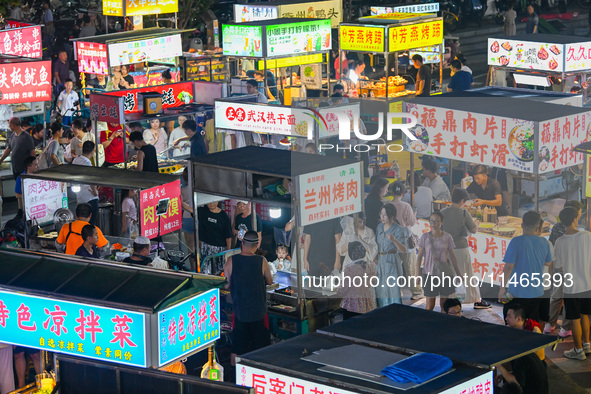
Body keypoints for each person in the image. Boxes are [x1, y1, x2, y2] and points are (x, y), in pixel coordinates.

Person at [224, 230, 273, 366]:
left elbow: (226, 285)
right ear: (257, 245)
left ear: (242, 242)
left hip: (240, 312)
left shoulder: (231, 261)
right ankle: (260, 372)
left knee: (237, 348)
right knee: (261, 348)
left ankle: (234, 377)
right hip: (259, 312)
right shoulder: (261, 261)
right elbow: (269, 281)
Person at [442, 188, 491, 309]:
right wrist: (477, 224)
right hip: (461, 248)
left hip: (446, 249)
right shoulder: (463, 213)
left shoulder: (442, 212)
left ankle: (451, 302)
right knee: (467, 274)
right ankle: (476, 300)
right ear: (462, 200)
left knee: (450, 276)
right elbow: (474, 230)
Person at [499, 211, 552, 321]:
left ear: (522, 225)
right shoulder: (545, 242)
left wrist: (502, 288)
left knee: (515, 324)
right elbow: (548, 263)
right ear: (538, 227)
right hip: (537, 292)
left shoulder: (516, 242)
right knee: (532, 324)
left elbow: (508, 267)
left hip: (516, 292)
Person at [554, 207, 591, 360]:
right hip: (588, 284)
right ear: (575, 219)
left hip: (571, 286)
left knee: (574, 317)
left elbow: (558, 266)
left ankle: (578, 350)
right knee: (584, 314)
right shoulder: (587, 236)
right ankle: (587, 344)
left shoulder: (560, 241)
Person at [545, 200, 582, 337]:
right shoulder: (580, 234)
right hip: (572, 270)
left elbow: (552, 248)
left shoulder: (556, 229)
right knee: (568, 298)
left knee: (556, 296)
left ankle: (550, 323)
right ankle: (565, 328)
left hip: (558, 268)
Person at [417, 211, 461, 311]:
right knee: (429, 306)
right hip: (429, 273)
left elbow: (452, 257)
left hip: (444, 274)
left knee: (444, 305)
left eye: (437, 221)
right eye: (431, 221)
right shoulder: (425, 237)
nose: (434, 223)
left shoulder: (447, 237)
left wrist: (459, 274)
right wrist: (417, 275)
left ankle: (443, 325)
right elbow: (419, 257)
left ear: (442, 222)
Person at [390, 181, 422, 300]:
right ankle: (416, 292)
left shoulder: (387, 206)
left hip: (392, 241)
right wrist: (413, 215)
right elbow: (412, 222)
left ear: (392, 192)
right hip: (406, 241)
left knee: (395, 268)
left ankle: (397, 291)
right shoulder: (406, 206)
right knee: (411, 268)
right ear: (403, 193)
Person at [376, 204, 408, 307]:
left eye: (385, 215)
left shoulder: (398, 229)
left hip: (392, 260)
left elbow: (403, 249)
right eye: (381, 214)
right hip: (380, 261)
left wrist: (394, 240)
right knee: (381, 290)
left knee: (393, 290)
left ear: (392, 216)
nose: (382, 217)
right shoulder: (379, 227)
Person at [337, 241, 377, 318]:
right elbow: (373, 282)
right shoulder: (371, 267)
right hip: (367, 302)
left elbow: (342, 290)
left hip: (352, 305)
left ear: (351, 254)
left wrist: (337, 288)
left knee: (351, 327)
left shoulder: (350, 270)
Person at [198, 202, 233, 275]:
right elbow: (191, 210)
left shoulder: (223, 216)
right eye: (209, 202)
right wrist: (182, 203)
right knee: (206, 271)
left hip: (220, 249)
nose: (212, 204)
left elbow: (228, 236)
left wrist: (228, 251)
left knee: (219, 272)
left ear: (217, 202)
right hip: (206, 248)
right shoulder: (203, 211)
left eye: (214, 202)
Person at [72, 141, 99, 225]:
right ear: (92, 151)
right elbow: (90, 180)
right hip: (89, 197)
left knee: (81, 223)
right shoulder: (87, 163)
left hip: (80, 196)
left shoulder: (75, 160)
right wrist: (95, 192)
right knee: (91, 223)